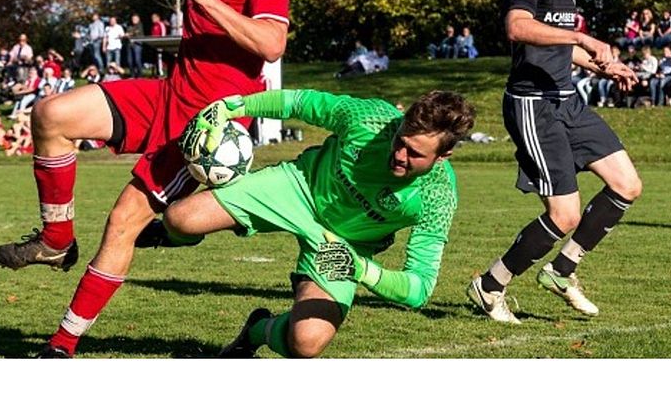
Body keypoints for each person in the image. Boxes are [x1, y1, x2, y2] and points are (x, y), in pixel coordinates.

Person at [0, 0, 292, 358]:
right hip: (168, 92)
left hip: (211, 122)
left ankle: (61, 346)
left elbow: (271, 45)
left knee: (123, 222)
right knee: (51, 114)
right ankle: (57, 241)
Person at [161, 88, 475, 358]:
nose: (399, 154)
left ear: (443, 156)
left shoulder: (439, 196)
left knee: (306, 343)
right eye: (400, 140)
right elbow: (299, 102)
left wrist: (361, 269)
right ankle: (170, 236)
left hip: (341, 248)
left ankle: (256, 331)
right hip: (299, 188)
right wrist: (233, 107)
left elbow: (419, 288)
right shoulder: (369, 118)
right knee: (180, 219)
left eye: (415, 153)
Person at [466, 0, 642, 325]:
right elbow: (517, 26)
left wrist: (604, 67)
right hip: (533, 105)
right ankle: (490, 285)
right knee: (563, 214)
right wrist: (583, 38)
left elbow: (559, 44)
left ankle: (562, 272)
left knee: (627, 184)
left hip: (567, 100)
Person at [123, 13, 145, 78]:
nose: (134, 20)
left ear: (138, 19)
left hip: (137, 44)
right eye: (133, 19)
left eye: (135, 19)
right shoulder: (129, 26)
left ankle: (140, 75)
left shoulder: (140, 25)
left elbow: (136, 32)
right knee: (129, 61)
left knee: (137, 60)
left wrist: (128, 34)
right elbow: (126, 34)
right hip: (129, 44)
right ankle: (132, 75)